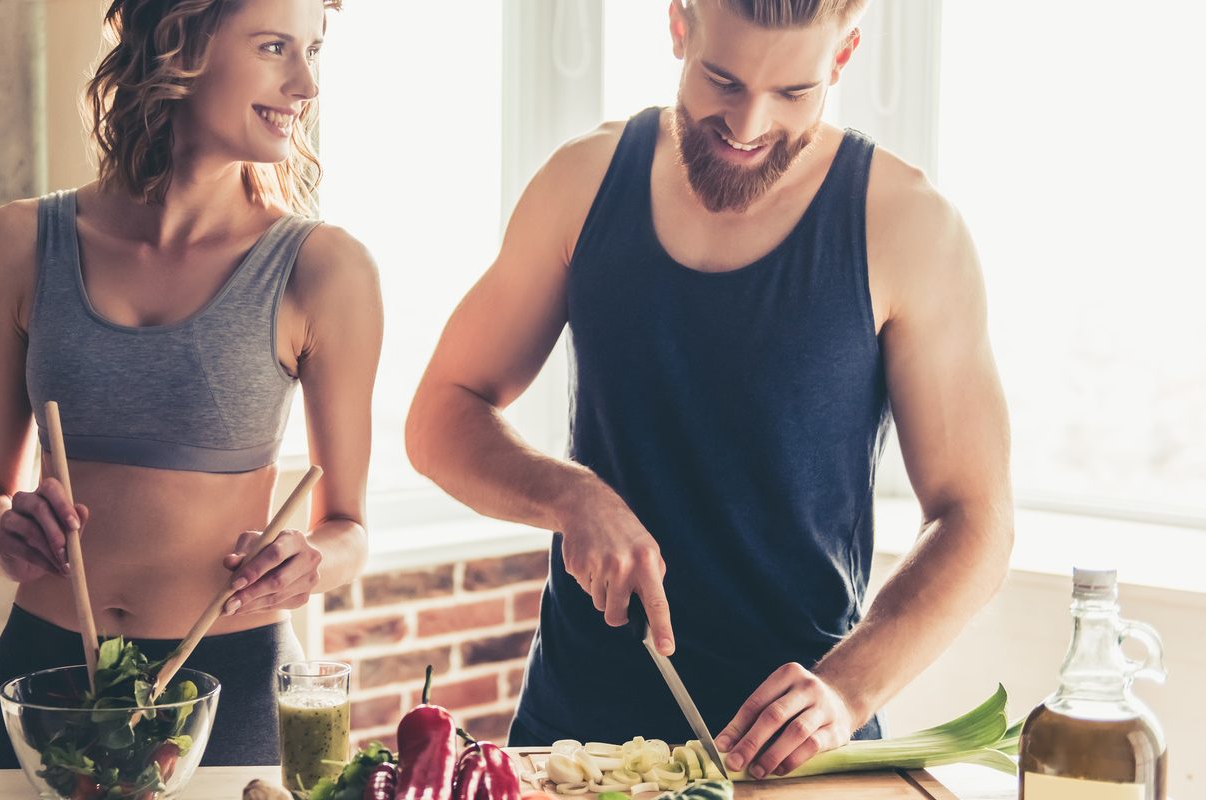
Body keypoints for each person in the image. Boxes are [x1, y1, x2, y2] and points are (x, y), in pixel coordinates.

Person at [404, 0, 1013, 780]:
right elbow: (441, 412)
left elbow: (975, 520)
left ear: (841, 57)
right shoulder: (581, 182)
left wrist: (846, 689)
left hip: (792, 755)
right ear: (678, 27)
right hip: (572, 745)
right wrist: (568, 494)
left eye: (792, 92)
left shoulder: (909, 226)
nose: (748, 125)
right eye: (722, 80)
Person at [0, 0, 381, 767]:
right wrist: (3, 533)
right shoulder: (18, 243)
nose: (306, 84)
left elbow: (349, 527)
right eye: (274, 47)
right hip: (45, 675)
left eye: (313, 51)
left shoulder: (324, 269)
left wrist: (311, 562)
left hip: (232, 684)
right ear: (178, 44)